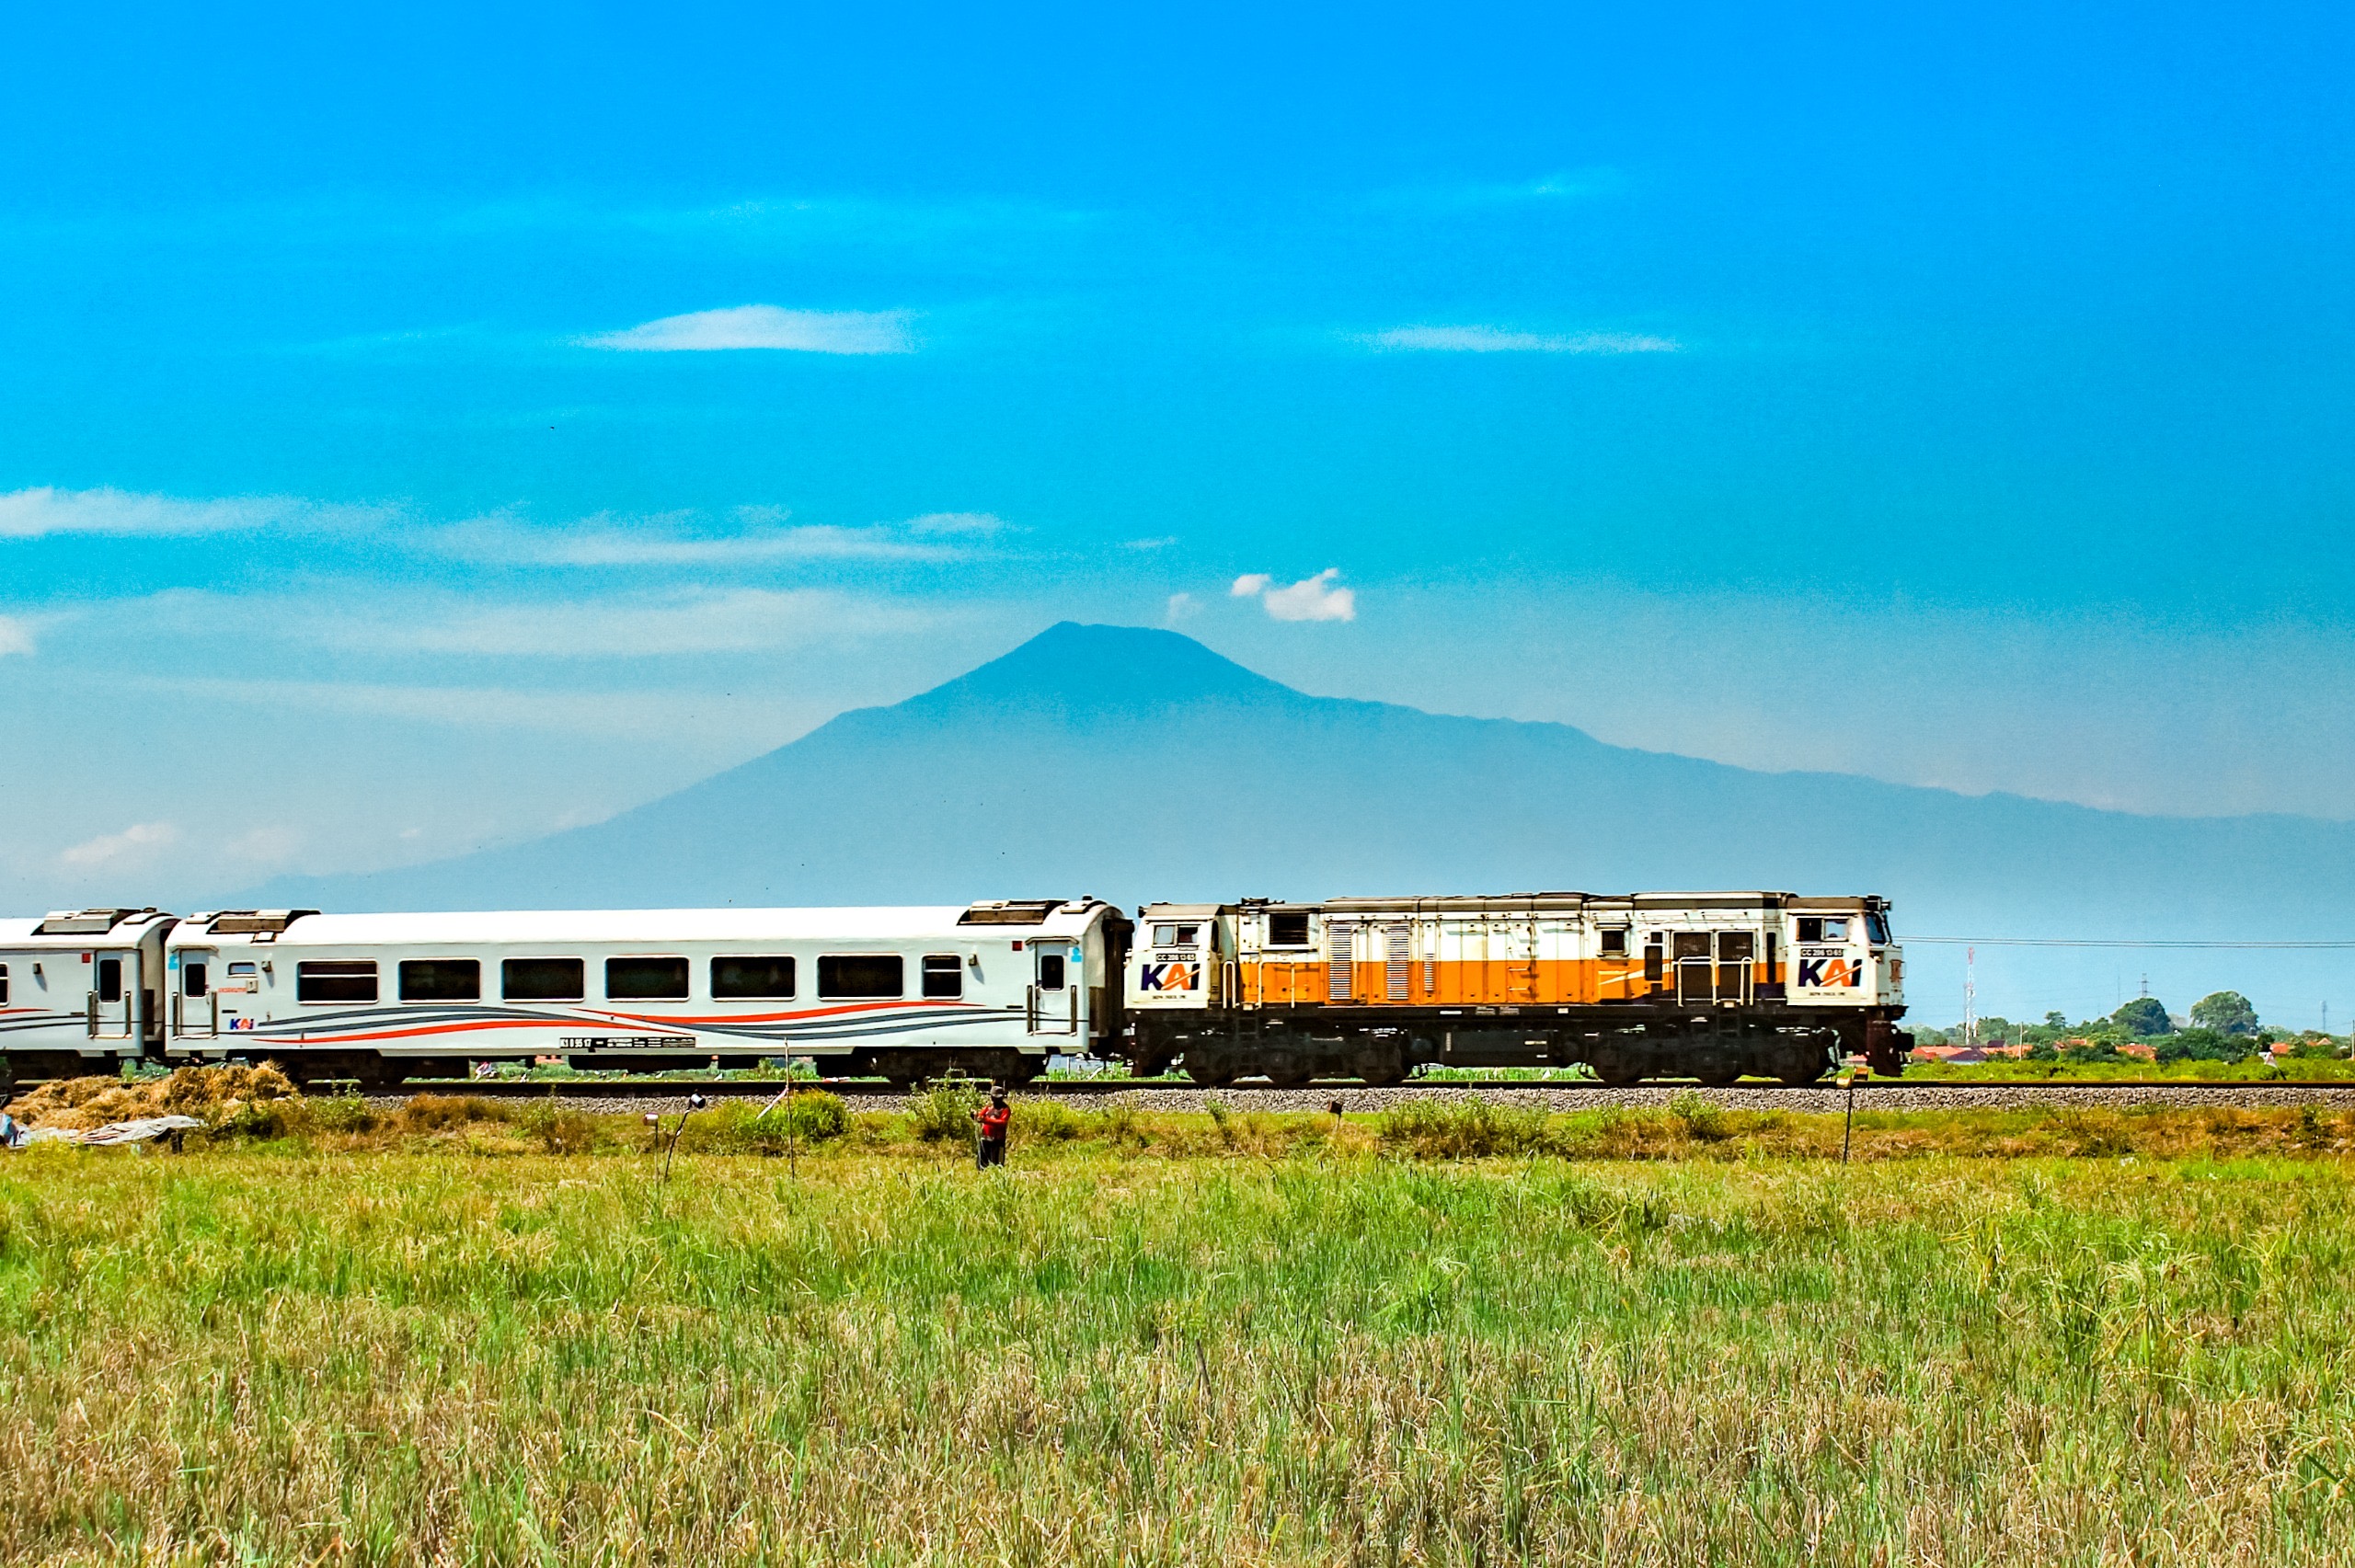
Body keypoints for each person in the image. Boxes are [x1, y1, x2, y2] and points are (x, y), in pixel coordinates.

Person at [973, 1084, 1011, 1170]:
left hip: (997, 1140)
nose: (997, 1100)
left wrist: (986, 1120)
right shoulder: (989, 1107)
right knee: (982, 1161)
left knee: (997, 1163)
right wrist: (975, 1116)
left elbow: (1002, 1122)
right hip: (985, 1138)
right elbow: (980, 1116)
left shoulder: (1005, 1109)